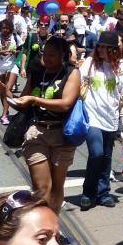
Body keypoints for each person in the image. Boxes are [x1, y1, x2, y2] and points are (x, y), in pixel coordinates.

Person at [13, 35, 80, 212]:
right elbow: (21, 101)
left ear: (63, 56)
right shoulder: (37, 72)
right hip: (37, 132)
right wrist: (3, 91)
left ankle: (52, 226)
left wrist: (35, 100)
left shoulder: (72, 73)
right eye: (45, 54)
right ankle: (41, 226)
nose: (46, 58)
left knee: (57, 188)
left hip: (62, 134)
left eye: (52, 55)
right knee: (41, 188)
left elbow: (66, 104)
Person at [77, 31, 123, 210]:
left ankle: (103, 193)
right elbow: (76, 80)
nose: (101, 50)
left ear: (114, 50)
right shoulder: (90, 63)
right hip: (91, 116)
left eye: (105, 48)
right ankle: (88, 192)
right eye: (99, 46)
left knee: (107, 156)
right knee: (97, 153)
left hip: (110, 117)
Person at [0, 18, 20, 125]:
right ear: (0, 29)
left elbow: (21, 50)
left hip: (12, 66)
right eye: (3, 28)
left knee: (8, 88)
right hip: (0, 66)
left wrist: (15, 52)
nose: (5, 30)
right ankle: (6, 110)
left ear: (10, 28)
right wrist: (0, 53)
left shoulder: (15, 37)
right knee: (3, 91)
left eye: (7, 28)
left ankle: (4, 115)